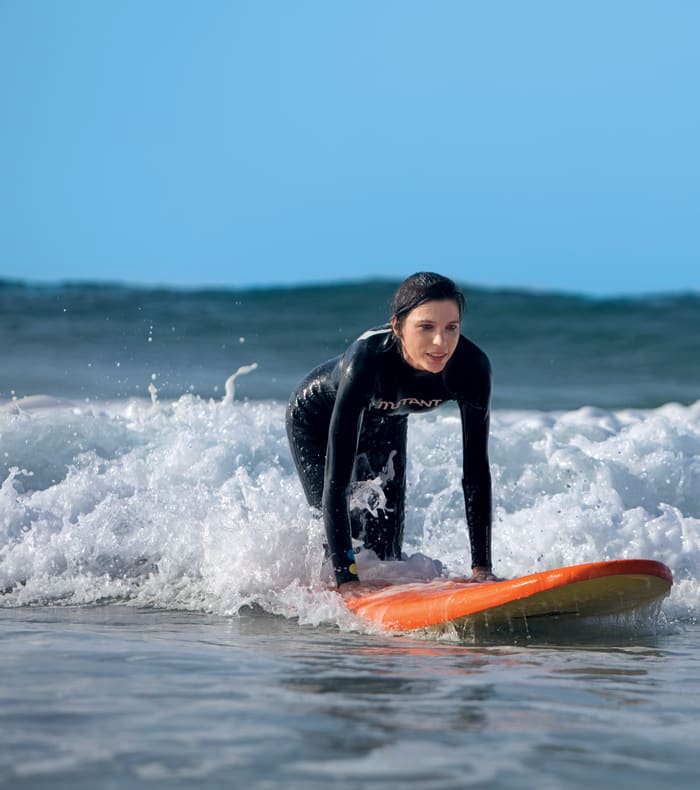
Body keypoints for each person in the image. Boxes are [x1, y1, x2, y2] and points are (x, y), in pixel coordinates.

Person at [286, 272, 496, 596]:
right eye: (426, 327)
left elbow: (476, 474)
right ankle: (329, 589)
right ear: (398, 327)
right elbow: (336, 482)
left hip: (387, 420)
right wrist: (349, 583)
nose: (441, 343)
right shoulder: (368, 359)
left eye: (451, 327)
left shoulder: (472, 368)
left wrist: (482, 569)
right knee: (340, 541)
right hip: (316, 419)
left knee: (386, 551)